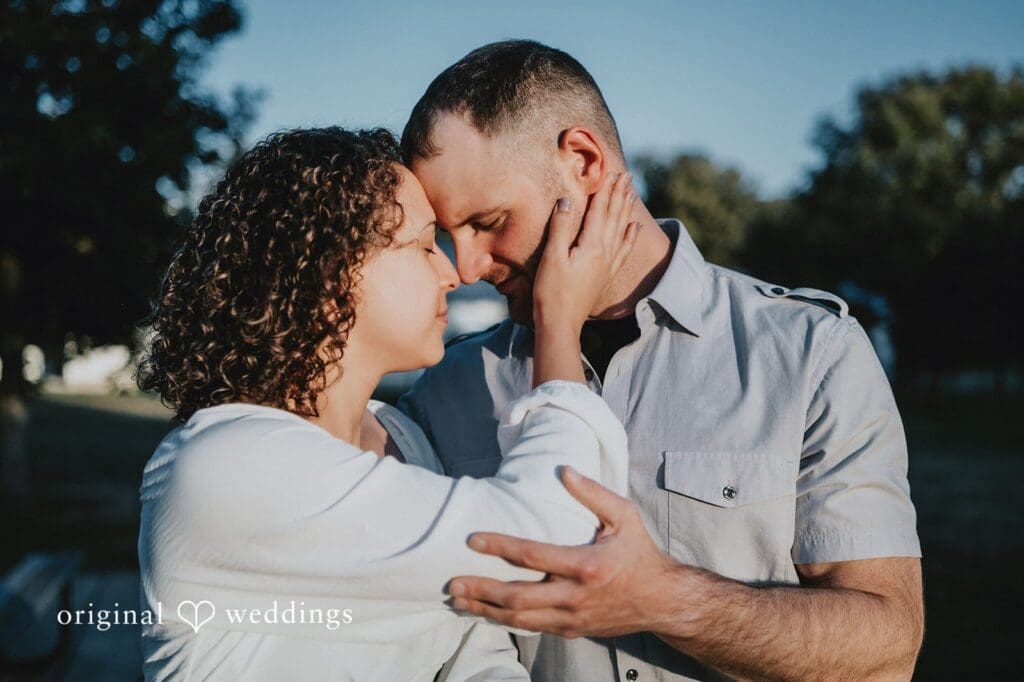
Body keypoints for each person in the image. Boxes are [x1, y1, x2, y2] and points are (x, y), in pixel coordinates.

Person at [397, 40, 925, 681]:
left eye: (490, 220)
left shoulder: (810, 353)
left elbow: (889, 648)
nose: (470, 267)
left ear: (583, 161)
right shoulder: (445, 389)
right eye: (448, 237)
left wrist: (670, 599)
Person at [136, 126, 642, 681]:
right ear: (331, 271)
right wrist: (559, 322)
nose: (453, 273)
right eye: (425, 245)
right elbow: (551, 547)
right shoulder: (224, 465)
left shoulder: (403, 439)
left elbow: (475, 656)